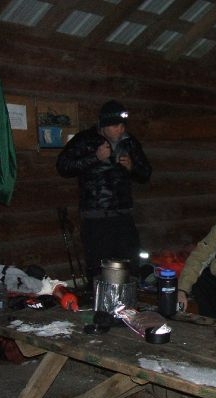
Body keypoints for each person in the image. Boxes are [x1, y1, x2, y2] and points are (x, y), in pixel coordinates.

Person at [56, 100, 152, 290]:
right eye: (115, 125)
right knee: (98, 269)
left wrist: (132, 167)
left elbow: (146, 173)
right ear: (104, 125)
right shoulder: (85, 140)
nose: (120, 129)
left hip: (123, 216)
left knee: (130, 265)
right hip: (96, 218)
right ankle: (100, 310)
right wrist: (95, 158)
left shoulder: (130, 142)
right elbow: (63, 166)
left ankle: (128, 307)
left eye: (123, 125)